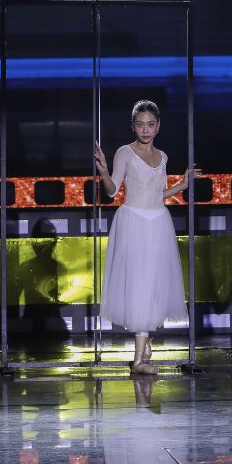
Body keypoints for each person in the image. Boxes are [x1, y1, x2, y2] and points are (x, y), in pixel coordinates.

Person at [94, 100, 199, 374]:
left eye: (150, 124)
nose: (145, 129)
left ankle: (144, 344)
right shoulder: (125, 152)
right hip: (134, 222)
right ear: (133, 126)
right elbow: (112, 191)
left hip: (158, 222)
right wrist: (104, 172)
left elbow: (156, 194)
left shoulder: (163, 156)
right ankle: (139, 360)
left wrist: (182, 185)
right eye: (140, 124)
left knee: (153, 284)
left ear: (158, 126)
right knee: (139, 283)